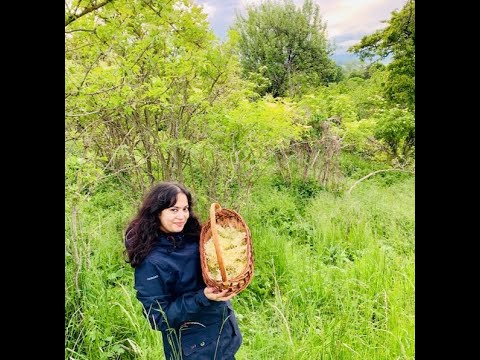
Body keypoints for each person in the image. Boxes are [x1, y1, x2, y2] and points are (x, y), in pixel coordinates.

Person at [124, 181, 243, 359]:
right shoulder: (151, 261)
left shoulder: (193, 237)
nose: (182, 216)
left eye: (185, 209)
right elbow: (158, 317)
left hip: (223, 335)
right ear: (157, 212)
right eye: (173, 210)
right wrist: (202, 297)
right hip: (193, 349)